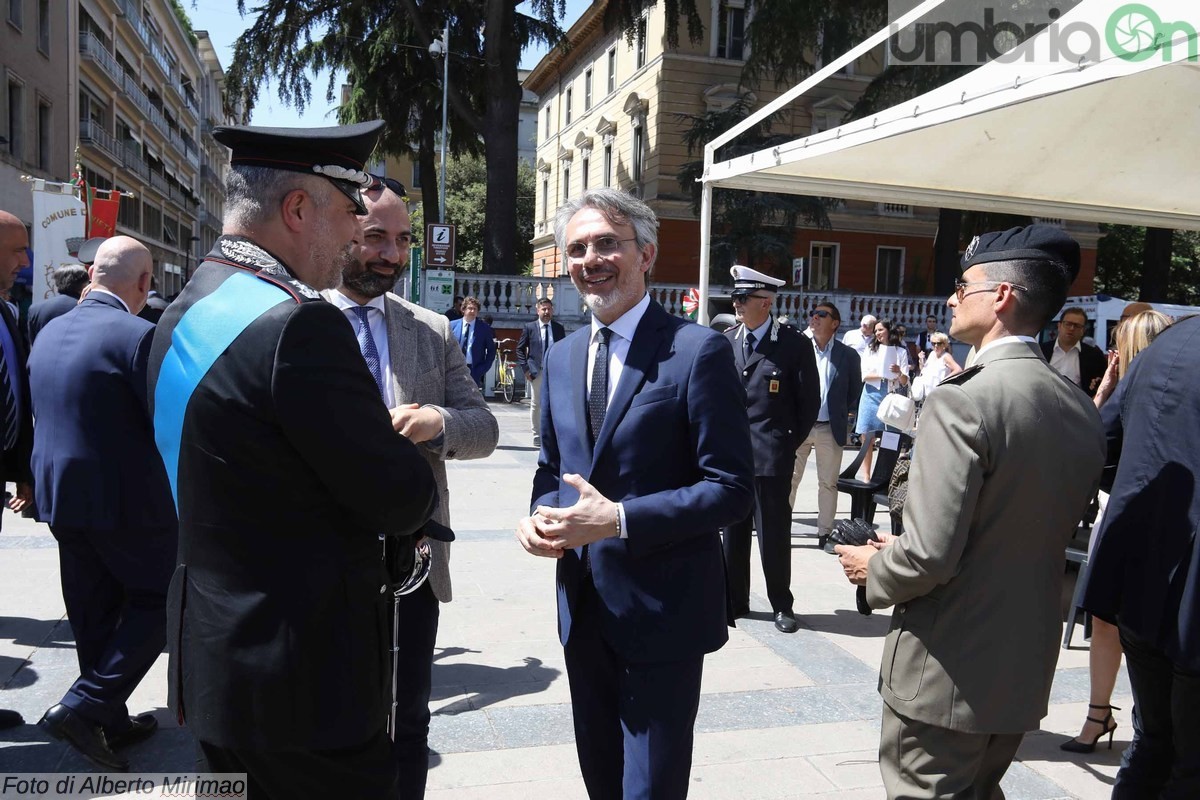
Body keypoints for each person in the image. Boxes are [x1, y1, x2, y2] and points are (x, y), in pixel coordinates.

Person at [147, 121, 438, 798]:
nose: (351, 236)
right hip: (303, 681)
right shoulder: (300, 325)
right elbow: (397, 495)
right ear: (297, 210)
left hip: (219, 661)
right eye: (346, 213)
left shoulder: (189, 302)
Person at [834, 224, 1106, 798]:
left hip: (946, 665)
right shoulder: (1079, 408)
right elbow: (1011, 530)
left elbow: (931, 556)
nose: (952, 297)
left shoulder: (965, 399)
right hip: (1019, 663)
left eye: (964, 285)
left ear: (1001, 296)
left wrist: (872, 569)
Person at [516, 189, 753, 799]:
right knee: (601, 777)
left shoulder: (697, 351)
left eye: (606, 243)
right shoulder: (564, 356)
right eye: (576, 248)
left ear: (645, 254)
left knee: (650, 786)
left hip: (664, 610)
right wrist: (540, 518)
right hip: (584, 606)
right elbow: (553, 467)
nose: (590, 258)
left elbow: (730, 490)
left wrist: (619, 519)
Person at [325, 175, 498, 799]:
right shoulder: (293, 317)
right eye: (376, 236)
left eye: (402, 240)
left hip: (413, 560)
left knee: (409, 715)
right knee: (330, 714)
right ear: (341, 230)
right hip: (320, 563)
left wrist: (438, 423)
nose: (392, 254)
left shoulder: (432, 328)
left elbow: (484, 428)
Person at [29, 237, 175, 771]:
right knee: (159, 599)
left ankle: (107, 719)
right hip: (125, 499)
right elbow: (164, 424)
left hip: (59, 494)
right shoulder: (139, 336)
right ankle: (85, 708)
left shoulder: (48, 329)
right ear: (143, 284)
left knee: (91, 609)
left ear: (93, 273)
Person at [1081, 313, 1200, 797]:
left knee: (1153, 740)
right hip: (1187, 596)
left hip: (1138, 576)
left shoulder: (1169, 344)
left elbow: (1101, 443)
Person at [1061, 307, 1173, 755]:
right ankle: (1098, 714)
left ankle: (1139, 717)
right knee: (1106, 620)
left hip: (1148, 519)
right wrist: (1107, 388)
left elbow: (1087, 447)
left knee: (1130, 622)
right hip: (1120, 514)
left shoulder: (1157, 392)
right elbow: (1087, 446)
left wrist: (1108, 388)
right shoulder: (1126, 390)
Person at [721, 265, 819, 633]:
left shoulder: (793, 345)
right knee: (733, 532)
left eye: (742, 298)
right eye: (735, 297)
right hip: (732, 456)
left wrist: (784, 444)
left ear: (765, 302)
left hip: (771, 457)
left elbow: (809, 404)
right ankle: (735, 600)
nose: (736, 304)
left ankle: (781, 604)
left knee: (774, 535)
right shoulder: (727, 339)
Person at [0, 209, 35, 730]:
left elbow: (16, 392)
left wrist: (21, 470)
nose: (25, 261)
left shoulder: (8, 313)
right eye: (15, 250)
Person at [789, 302, 863, 546]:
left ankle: (824, 532)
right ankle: (779, 526)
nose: (815, 317)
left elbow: (853, 391)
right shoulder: (799, 349)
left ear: (835, 323)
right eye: (813, 313)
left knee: (827, 483)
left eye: (822, 314)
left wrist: (837, 411)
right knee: (789, 479)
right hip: (799, 426)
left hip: (829, 427)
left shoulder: (848, 355)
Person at [854, 319, 909, 481]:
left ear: (888, 331)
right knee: (867, 434)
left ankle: (884, 475)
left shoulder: (901, 352)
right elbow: (864, 375)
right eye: (875, 330)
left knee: (890, 436)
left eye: (880, 330)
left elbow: (905, 381)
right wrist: (883, 373)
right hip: (871, 394)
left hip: (891, 395)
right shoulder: (870, 349)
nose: (877, 333)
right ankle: (866, 475)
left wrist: (899, 372)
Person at [517, 297, 565, 447]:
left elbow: (563, 349)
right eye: (543, 309)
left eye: (549, 309)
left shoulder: (558, 328)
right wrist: (525, 369)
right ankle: (536, 435)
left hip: (554, 371)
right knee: (536, 403)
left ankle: (549, 434)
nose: (546, 312)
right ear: (538, 310)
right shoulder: (530, 327)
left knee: (552, 404)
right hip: (535, 371)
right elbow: (519, 349)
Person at [1041, 306, 1106, 397]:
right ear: (1059, 326)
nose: (1071, 328)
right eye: (1068, 324)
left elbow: (1102, 384)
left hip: (1078, 407)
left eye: (1077, 326)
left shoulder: (1094, 356)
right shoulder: (1041, 350)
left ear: (1083, 330)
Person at [27, 264, 88, 345]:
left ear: (57, 282)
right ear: (84, 284)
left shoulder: (35, 309)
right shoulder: (88, 308)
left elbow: (33, 341)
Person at [449, 297, 496, 388]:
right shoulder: (452, 325)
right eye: (470, 308)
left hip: (474, 369)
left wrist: (483, 368)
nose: (472, 311)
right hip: (454, 369)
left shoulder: (484, 328)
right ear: (463, 310)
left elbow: (491, 350)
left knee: (471, 399)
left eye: (475, 309)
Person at [913, 332, 962, 400]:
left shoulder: (946, 357)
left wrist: (944, 380)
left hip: (939, 395)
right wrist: (921, 360)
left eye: (939, 343)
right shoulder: (932, 354)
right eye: (933, 343)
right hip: (926, 395)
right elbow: (923, 370)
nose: (936, 346)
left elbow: (958, 370)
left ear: (944, 345)